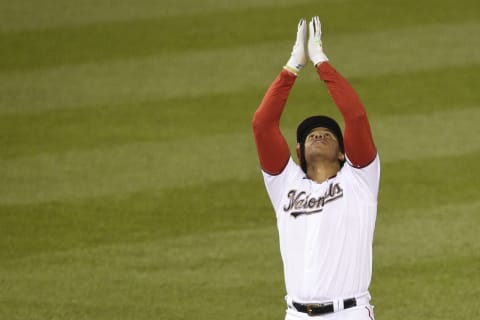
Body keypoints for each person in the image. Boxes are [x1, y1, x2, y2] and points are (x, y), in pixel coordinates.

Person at [252, 16, 380, 320]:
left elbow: (356, 119)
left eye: (327, 134)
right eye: (311, 134)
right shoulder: (284, 184)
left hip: (349, 312)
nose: (319, 134)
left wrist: (321, 61)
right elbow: (262, 125)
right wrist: (292, 67)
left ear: (342, 152)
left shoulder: (360, 179)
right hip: (295, 315)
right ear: (299, 151)